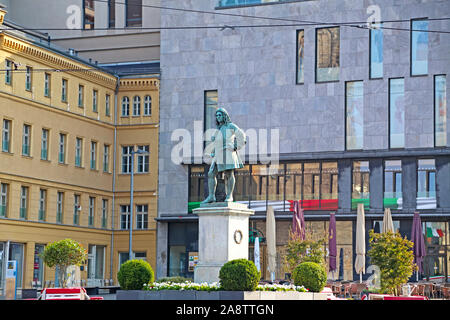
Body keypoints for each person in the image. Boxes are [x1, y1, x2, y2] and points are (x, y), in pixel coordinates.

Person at [202, 108, 246, 203]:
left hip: (228, 153)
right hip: (218, 155)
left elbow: (241, 135)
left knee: (229, 174)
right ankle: (211, 196)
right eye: (217, 116)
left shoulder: (230, 126)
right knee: (211, 174)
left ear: (224, 116)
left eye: (220, 115)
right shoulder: (218, 129)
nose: (218, 117)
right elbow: (217, 143)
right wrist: (213, 151)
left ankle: (229, 195)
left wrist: (235, 146)